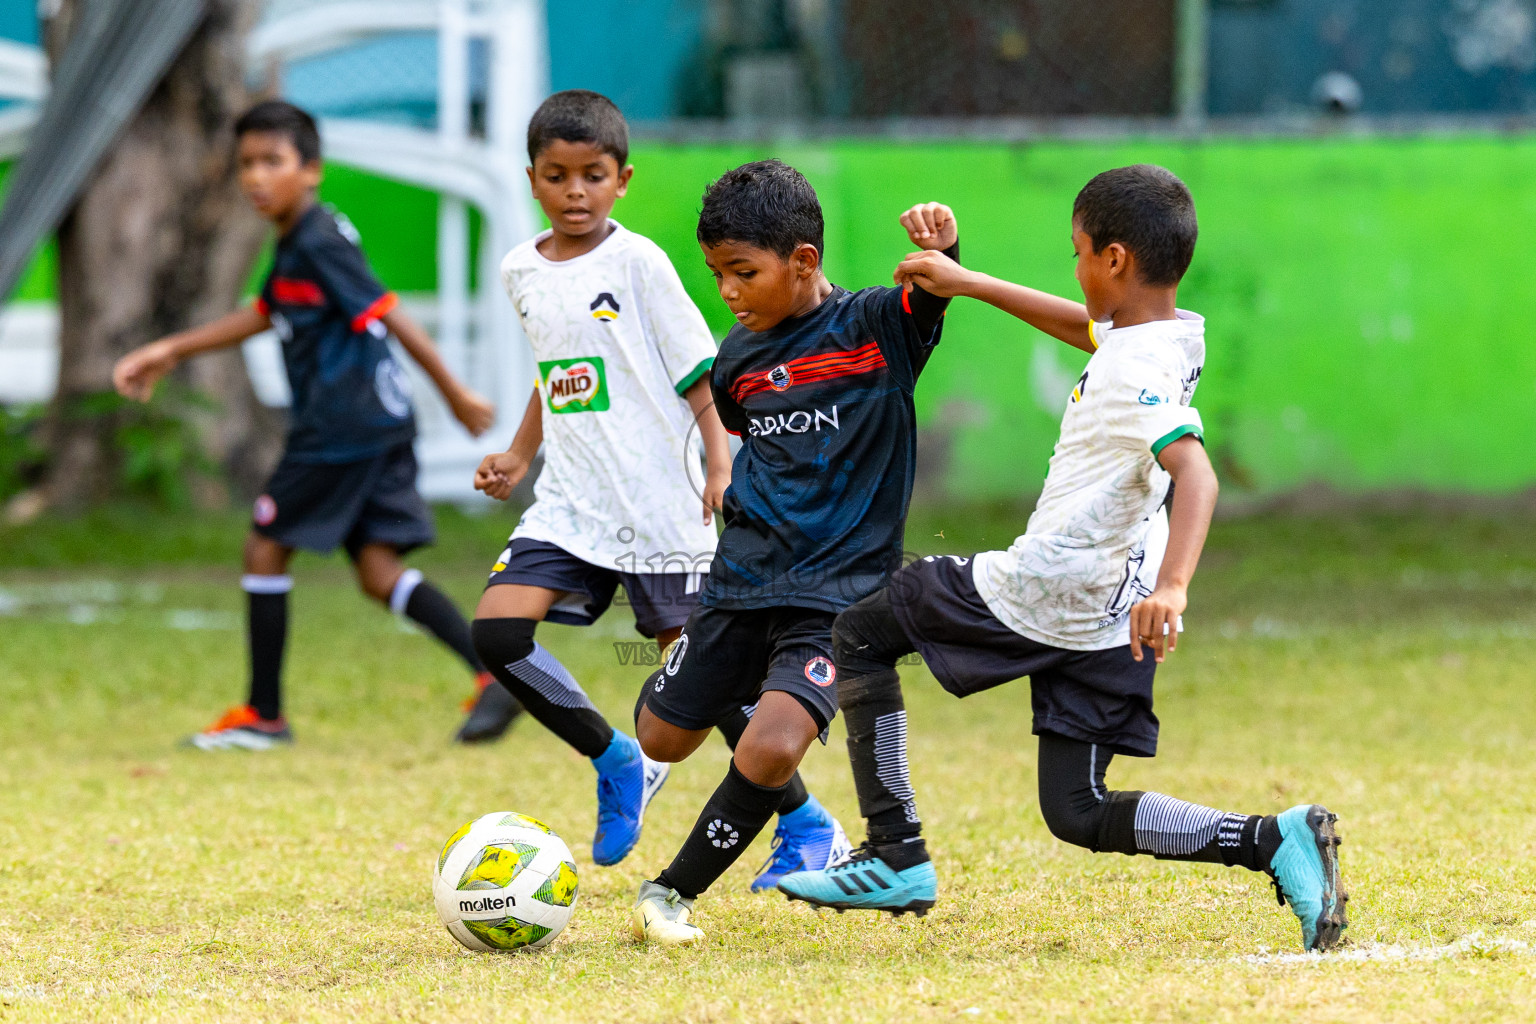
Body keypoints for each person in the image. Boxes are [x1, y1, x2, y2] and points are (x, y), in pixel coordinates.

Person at [777, 164, 1348, 952]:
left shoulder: (1134, 371)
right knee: (1077, 809)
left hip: (1051, 584)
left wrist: (1177, 588)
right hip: (1112, 604)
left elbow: (1198, 473)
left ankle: (894, 853)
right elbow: (1089, 329)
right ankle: (1274, 840)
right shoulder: (1166, 334)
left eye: (1078, 254)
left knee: (861, 633)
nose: (1074, 270)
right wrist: (969, 281)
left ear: (1114, 259)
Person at [465, 92, 850, 875]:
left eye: (593, 175)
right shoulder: (519, 270)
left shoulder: (639, 263)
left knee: (706, 679)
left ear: (623, 179)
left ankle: (808, 826)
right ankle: (616, 760)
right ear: (532, 180)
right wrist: (519, 453)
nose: (576, 191)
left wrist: (720, 463)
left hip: (661, 500)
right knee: (498, 633)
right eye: (557, 175)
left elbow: (698, 371)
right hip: (572, 501)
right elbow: (556, 370)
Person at [627, 159, 962, 946]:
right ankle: (750, 687)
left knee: (774, 747)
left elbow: (932, 293)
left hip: (839, 597)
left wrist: (946, 247)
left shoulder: (876, 326)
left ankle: (669, 892)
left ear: (803, 260)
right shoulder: (738, 360)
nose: (727, 291)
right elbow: (750, 438)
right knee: (658, 736)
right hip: (740, 582)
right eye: (716, 274)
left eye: (743, 272)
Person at [112, 100, 504, 751]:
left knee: (265, 547)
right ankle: (494, 675)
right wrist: (171, 350)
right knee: (377, 571)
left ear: (312, 169)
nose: (256, 177)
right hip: (379, 422)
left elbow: (389, 313)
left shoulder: (319, 242)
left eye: (273, 161)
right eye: (246, 164)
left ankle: (264, 716)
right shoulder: (299, 238)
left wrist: (456, 393)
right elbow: (266, 310)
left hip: (340, 426)